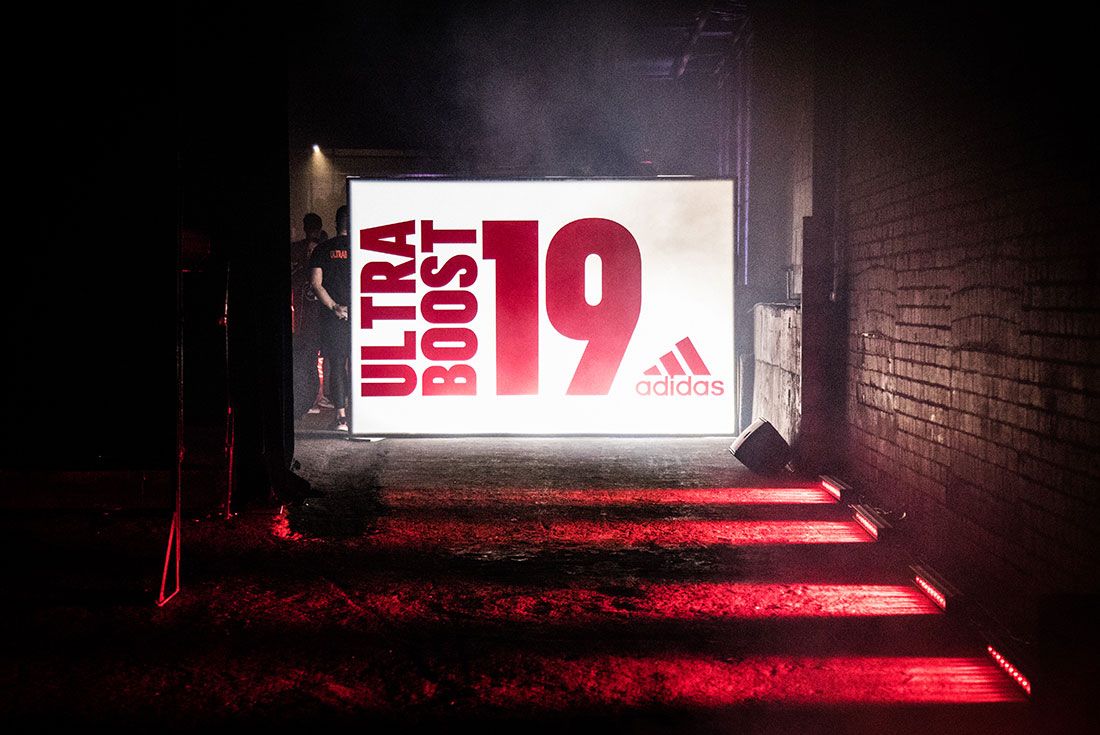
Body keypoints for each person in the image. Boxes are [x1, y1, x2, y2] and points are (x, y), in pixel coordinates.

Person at [308, 205, 351, 432]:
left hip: (334, 318)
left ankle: (341, 418)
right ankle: (358, 414)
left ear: (336, 223)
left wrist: (334, 307)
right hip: (360, 317)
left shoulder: (323, 249)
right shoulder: (362, 246)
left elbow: (316, 284)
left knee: (336, 365)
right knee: (359, 365)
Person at [291, 213, 330, 418]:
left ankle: (313, 397)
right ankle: (312, 398)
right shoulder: (314, 249)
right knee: (311, 358)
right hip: (312, 314)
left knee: (309, 358)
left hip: (307, 314)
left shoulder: (317, 249)